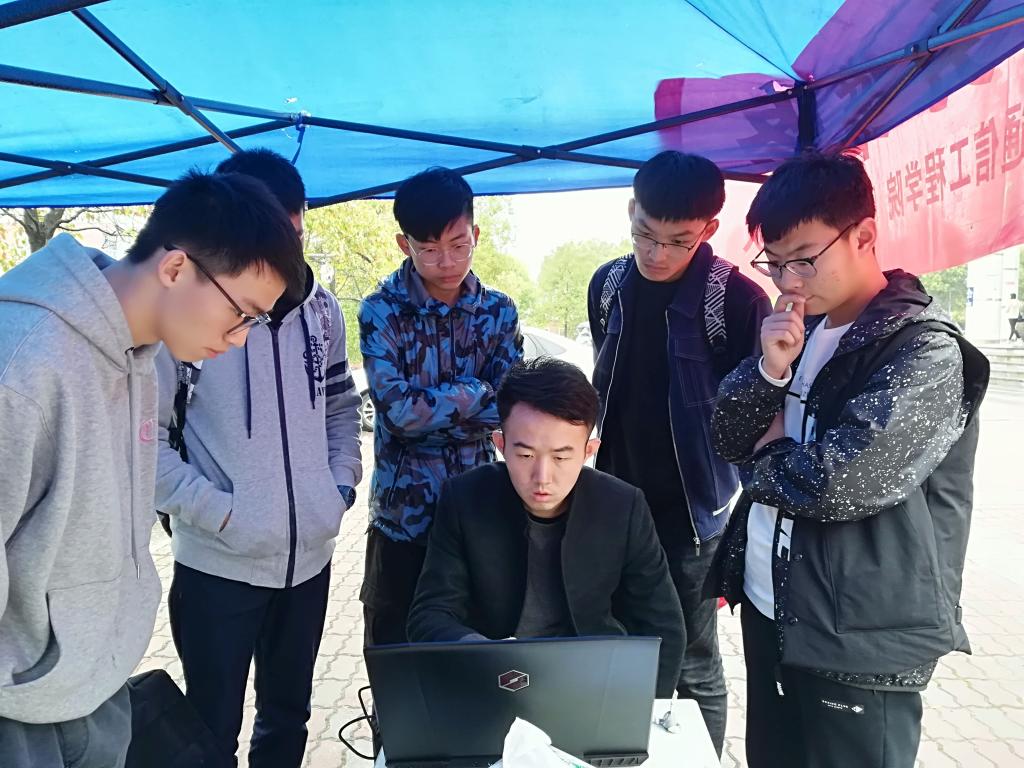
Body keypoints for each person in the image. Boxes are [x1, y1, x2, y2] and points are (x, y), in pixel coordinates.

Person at [0, 170, 304, 768]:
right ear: (175, 268)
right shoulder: (23, 361)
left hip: (98, 682)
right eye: (242, 313)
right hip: (20, 709)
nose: (241, 339)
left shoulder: (138, 353)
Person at [709, 151, 989, 768]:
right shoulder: (798, 329)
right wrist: (768, 370)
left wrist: (766, 451)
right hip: (772, 606)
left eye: (804, 258)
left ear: (863, 235)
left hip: (859, 635)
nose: (789, 281)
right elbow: (727, 435)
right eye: (775, 262)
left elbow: (840, 482)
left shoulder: (922, 350)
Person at [154, 149, 362, 768]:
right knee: (210, 729)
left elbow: (341, 406)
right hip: (217, 565)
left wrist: (338, 487)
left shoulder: (323, 311)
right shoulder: (181, 316)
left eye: (294, 234)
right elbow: (144, 446)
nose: (284, 255)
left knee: (289, 717)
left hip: (311, 560)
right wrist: (221, 515)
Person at [587, 150, 770, 753]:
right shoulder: (608, 284)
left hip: (692, 517)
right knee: (618, 642)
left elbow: (753, 413)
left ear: (709, 229)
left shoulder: (737, 301)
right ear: (631, 211)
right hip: (614, 503)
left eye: (678, 242)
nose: (657, 254)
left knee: (692, 660)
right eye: (645, 234)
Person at [408, 357, 685, 697]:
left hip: (593, 688)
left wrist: (647, 709)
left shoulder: (623, 506)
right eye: (525, 455)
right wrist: (482, 653)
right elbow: (430, 615)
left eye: (561, 457)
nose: (542, 477)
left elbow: (663, 625)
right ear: (500, 444)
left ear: (588, 450)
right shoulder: (465, 500)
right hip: (496, 684)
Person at [358, 167, 523, 648]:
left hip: (479, 510)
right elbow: (398, 415)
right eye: (429, 249)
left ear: (476, 234)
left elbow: (509, 409)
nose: (447, 262)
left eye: (458, 245)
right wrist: (474, 392)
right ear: (404, 244)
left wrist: (433, 408)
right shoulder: (381, 311)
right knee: (395, 655)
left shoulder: (498, 312)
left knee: (478, 655)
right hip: (402, 519)